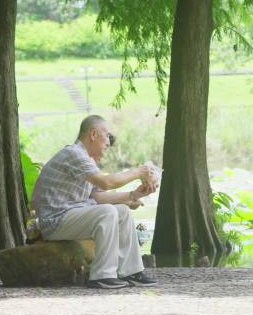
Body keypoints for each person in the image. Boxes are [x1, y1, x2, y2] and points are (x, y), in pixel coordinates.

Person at [32, 115, 159, 289]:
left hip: (70, 217)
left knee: (122, 211)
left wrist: (134, 194)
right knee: (107, 212)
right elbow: (107, 183)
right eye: (106, 135)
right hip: (55, 221)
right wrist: (139, 172)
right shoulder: (74, 154)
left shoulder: (86, 160)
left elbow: (99, 197)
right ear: (93, 134)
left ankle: (131, 271)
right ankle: (102, 275)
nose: (109, 141)